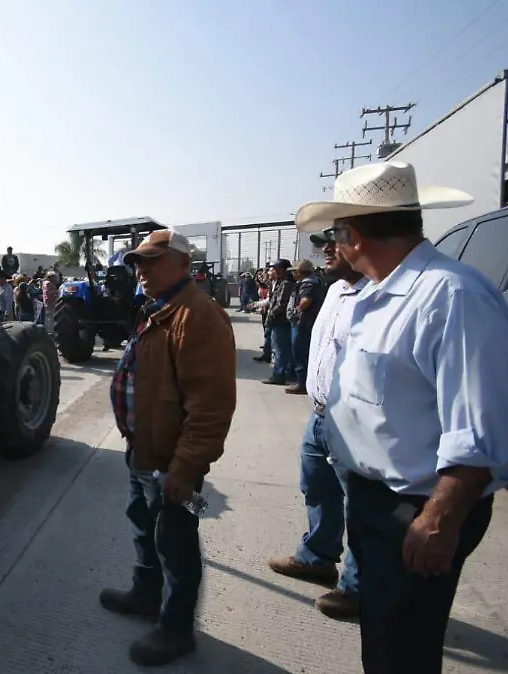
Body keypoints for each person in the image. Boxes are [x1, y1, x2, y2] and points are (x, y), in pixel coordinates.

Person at [297, 161, 508, 673]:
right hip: (378, 502)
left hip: (419, 510)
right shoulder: (381, 292)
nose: (335, 244)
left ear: (351, 234)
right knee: (383, 638)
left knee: (403, 652)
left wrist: (440, 518)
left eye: (336, 233)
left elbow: (483, 428)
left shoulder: (452, 297)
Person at [104, 230, 236, 667]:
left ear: (183, 263)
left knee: (176, 542)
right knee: (143, 524)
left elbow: (210, 407)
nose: (141, 270)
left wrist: (185, 468)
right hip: (144, 452)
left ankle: (177, 628)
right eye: (138, 263)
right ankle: (146, 594)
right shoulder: (160, 308)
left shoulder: (198, 316)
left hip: (173, 464)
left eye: (152, 261)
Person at [267, 228, 367, 620]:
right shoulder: (336, 289)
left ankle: (357, 589)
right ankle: (317, 557)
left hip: (353, 422)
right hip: (321, 412)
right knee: (317, 488)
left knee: (360, 506)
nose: (327, 249)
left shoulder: (378, 295)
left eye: (336, 239)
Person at [285, 259, 326, 395]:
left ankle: (302, 384)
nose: (292, 274)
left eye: (294, 271)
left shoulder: (308, 283)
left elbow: (305, 301)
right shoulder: (313, 281)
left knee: (300, 353)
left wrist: (295, 312)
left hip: (303, 323)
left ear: (299, 271)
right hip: (304, 322)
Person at [261, 259, 295, 385]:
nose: (273, 271)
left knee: (279, 349)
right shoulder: (281, 283)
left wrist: (270, 316)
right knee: (282, 349)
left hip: (280, 321)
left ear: (282, 269)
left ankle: (278, 375)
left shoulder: (286, 284)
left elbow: (280, 304)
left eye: (275, 268)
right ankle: (285, 373)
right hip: (280, 321)